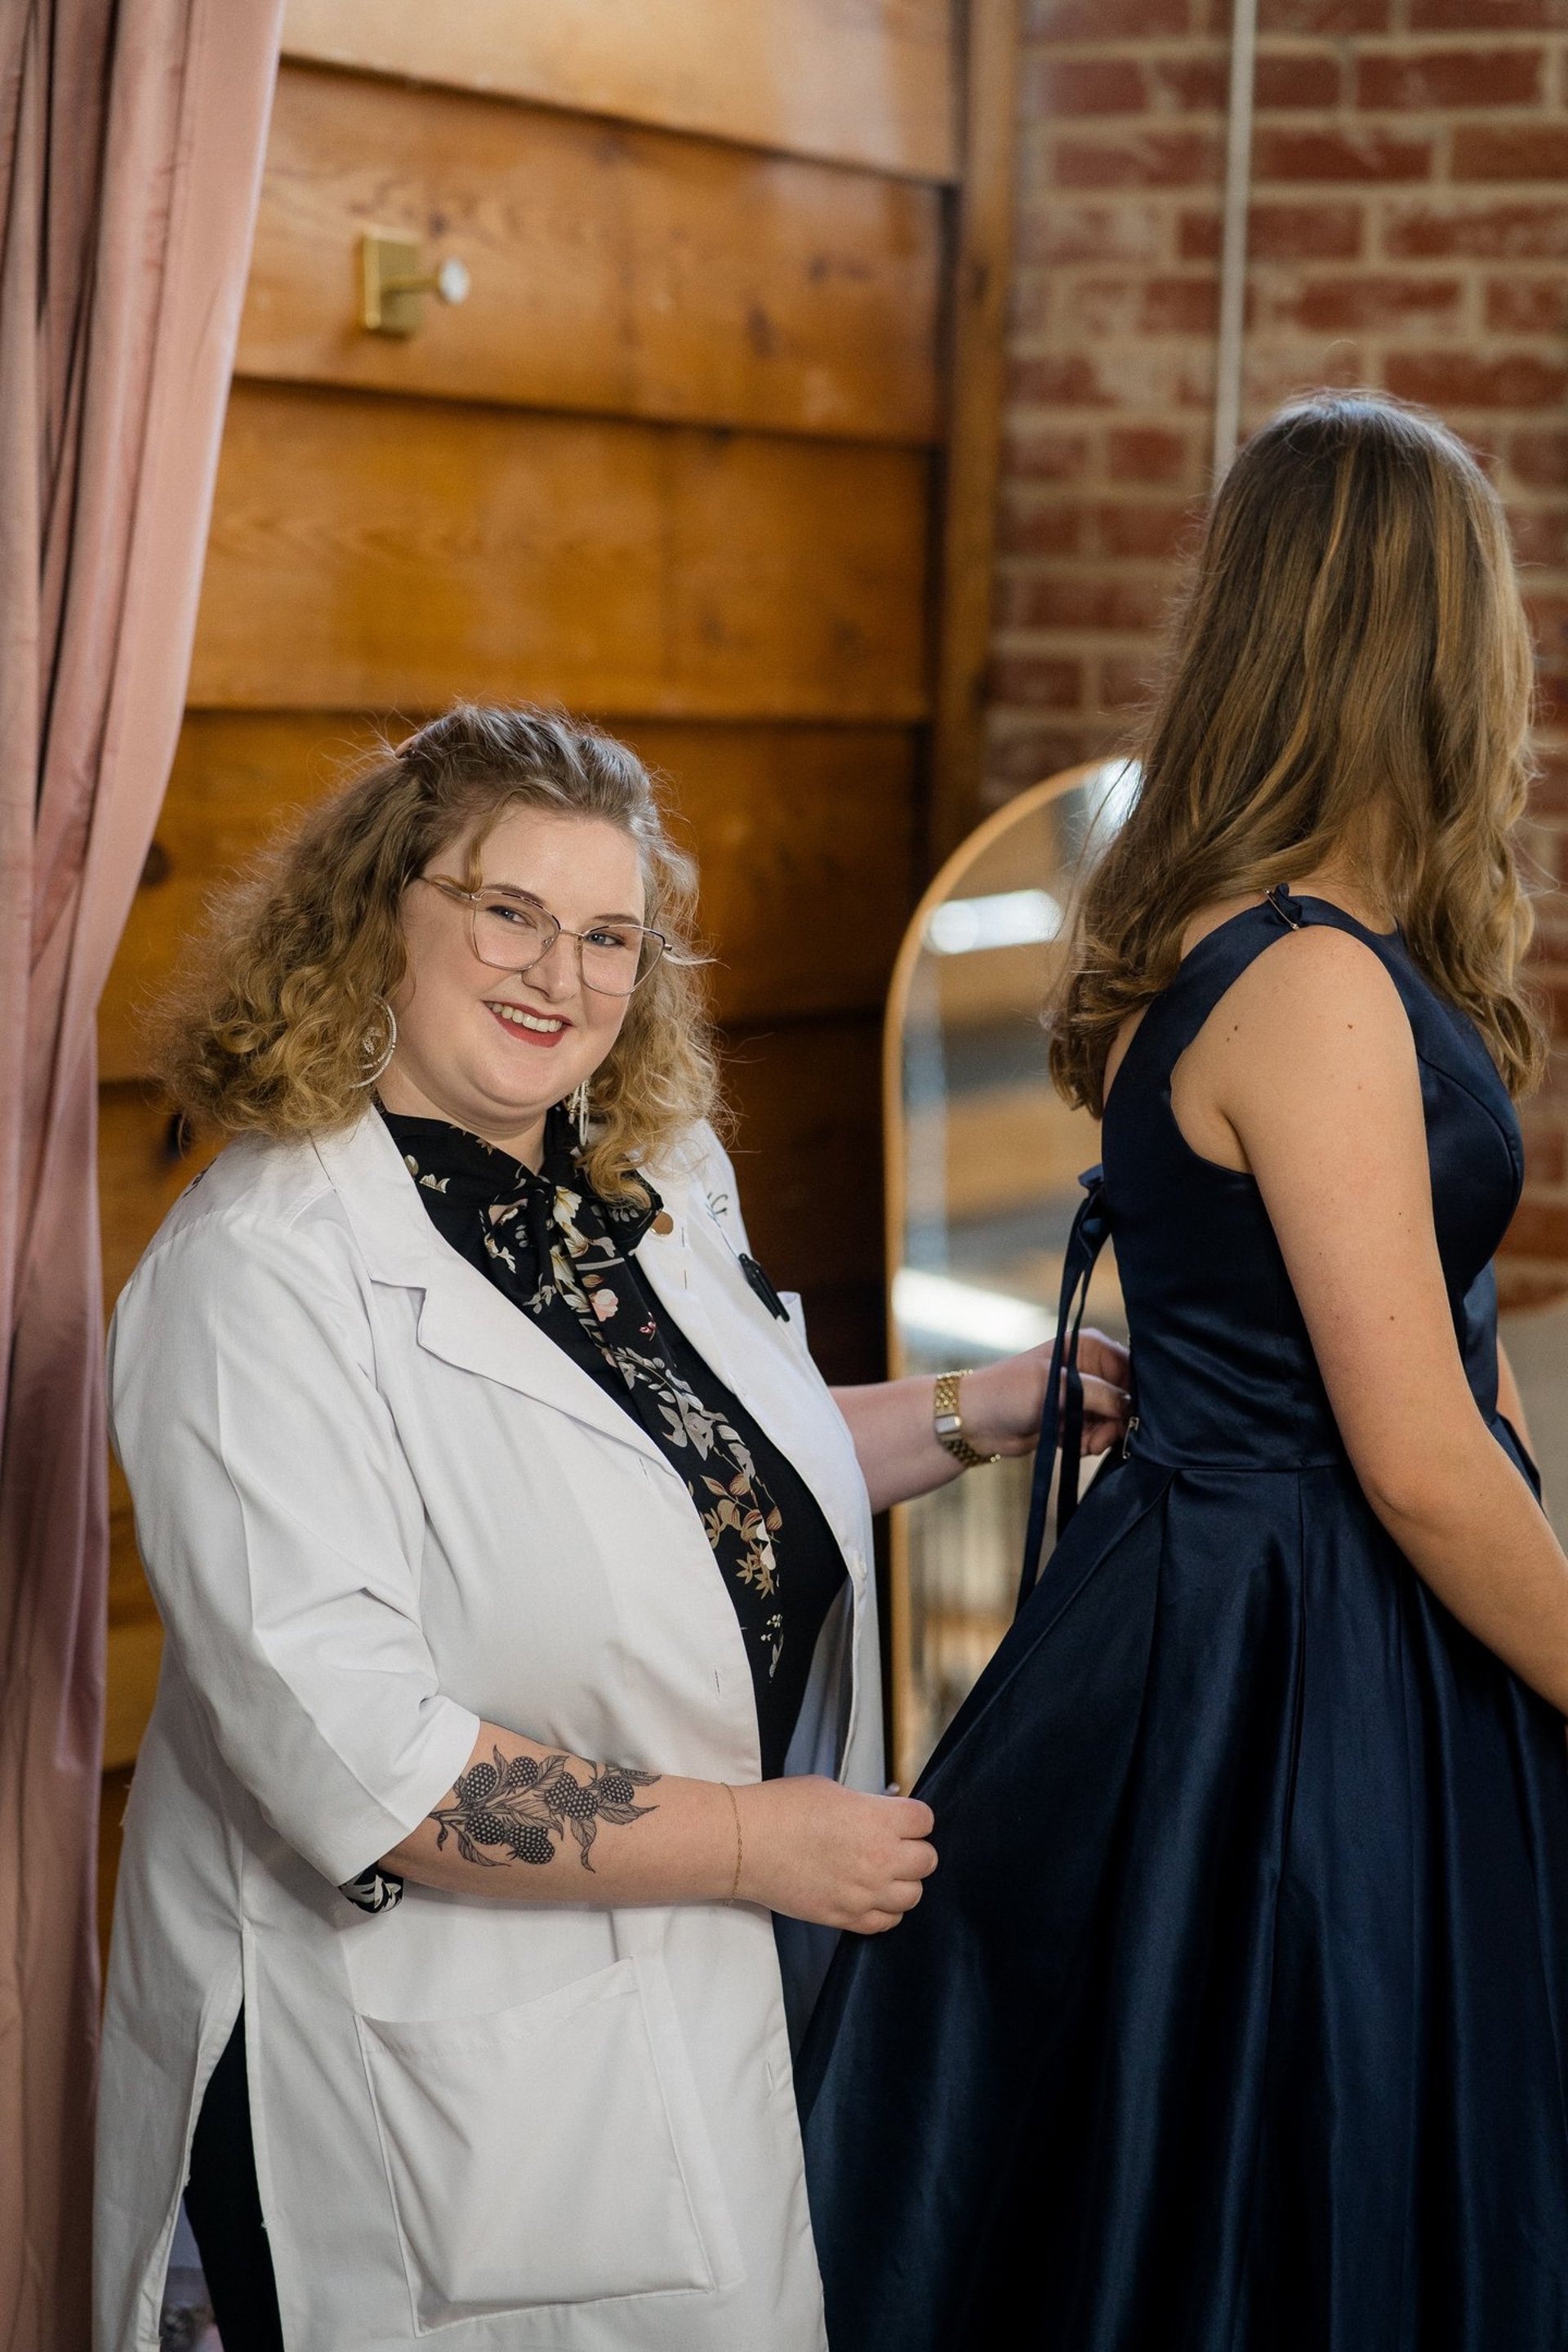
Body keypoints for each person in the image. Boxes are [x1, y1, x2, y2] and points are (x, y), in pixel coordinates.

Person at [92, 705, 1129, 2352]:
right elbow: (367, 1767)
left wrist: (972, 1412)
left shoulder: (635, 1183)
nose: (558, 978)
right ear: (382, 911)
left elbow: (690, 1495)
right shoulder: (259, 1276)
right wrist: (754, 1841)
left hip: (679, 2013)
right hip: (402, 2061)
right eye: (508, 912)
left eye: (607, 936)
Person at [796, 394, 1568, 2351]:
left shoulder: (1256, 948)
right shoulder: (1305, 978)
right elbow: (1414, 1456)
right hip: (1298, 1651)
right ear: (1435, 645)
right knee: (1297, 2172)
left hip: (1273, 1617)